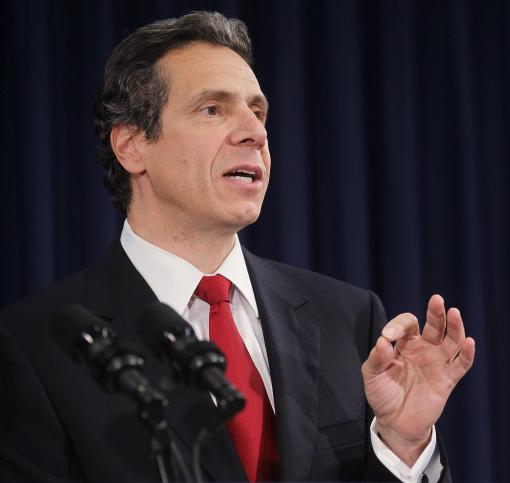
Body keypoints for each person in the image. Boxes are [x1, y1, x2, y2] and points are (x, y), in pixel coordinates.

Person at [0, 11, 475, 483]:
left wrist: (402, 444)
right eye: (213, 109)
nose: (255, 132)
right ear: (131, 146)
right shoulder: (34, 347)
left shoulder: (348, 318)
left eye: (258, 111)